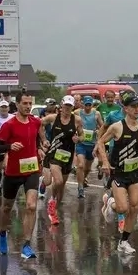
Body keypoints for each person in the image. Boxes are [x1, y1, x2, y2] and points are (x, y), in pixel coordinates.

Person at [96, 94, 138, 255]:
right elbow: (101, 142)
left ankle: (123, 242)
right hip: (119, 173)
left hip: (135, 173)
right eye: (133, 107)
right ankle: (110, 204)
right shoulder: (117, 127)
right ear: (126, 109)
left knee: (135, 207)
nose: (137, 109)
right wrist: (105, 162)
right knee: (122, 208)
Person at [0, 91, 46, 260]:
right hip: (13, 172)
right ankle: (2, 234)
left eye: (30, 103)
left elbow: (36, 138)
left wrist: (40, 148)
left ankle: (26, 245)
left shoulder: (35, 122)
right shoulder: (9, 125)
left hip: (31, 170)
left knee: (31, 206)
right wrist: (9, 147)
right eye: (24, 103)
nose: (28, 106)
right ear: (17, 104)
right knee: (6, 208)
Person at [42, 95, 81, 226]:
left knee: (61, 185)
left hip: (67, 157)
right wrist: (44, 140)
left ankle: (54, 210)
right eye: (66, 106)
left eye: (70, 106)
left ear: (73, 107)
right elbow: (39, 124)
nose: (67, 108)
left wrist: (78, 139)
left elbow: (82, 135)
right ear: (61, 106)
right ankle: (51, 201)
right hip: (54, 154)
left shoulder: (77, 120)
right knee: (56, 181)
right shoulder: (53, 118)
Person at [73, 96, 105, 198]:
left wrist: (98, 131)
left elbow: (103, 126)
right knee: (80, 165)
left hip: (92, 144)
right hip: (81, 143)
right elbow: (72, 123)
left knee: (87, 168)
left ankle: (84, 178)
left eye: (89, 105)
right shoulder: (77, 113)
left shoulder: (96, 114)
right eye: (86, 104)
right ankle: (80, 187)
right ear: (83, 104)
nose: (87, 106)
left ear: (92, 104)